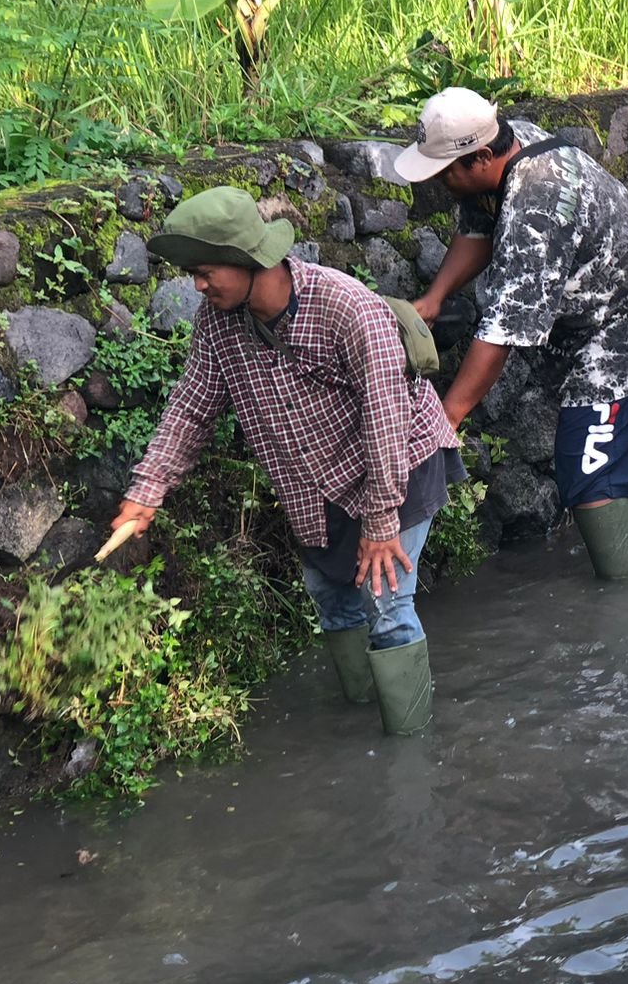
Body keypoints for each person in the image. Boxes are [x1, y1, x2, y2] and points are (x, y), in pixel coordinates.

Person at [111, 187, 464, 736]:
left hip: (399, 463)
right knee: (329, 592)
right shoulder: (218, 324)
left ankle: (408, 747)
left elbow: (386, 419)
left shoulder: (349, 309)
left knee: (387, 603)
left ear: (249, 260)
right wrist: (146, 491)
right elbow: (191, 407)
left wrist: (379, 522)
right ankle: (359, 717)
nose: (198, 286)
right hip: (315, 480)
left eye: (206, 272)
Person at [393, 87, 628, 581]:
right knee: (625, 463)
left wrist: (446, 417)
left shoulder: (535, 207)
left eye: (446, 171)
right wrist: (435, 297)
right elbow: (480, 228)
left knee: (591, 478)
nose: (439, 182)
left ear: (482, 156)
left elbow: (502, 332)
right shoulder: (513, 147)